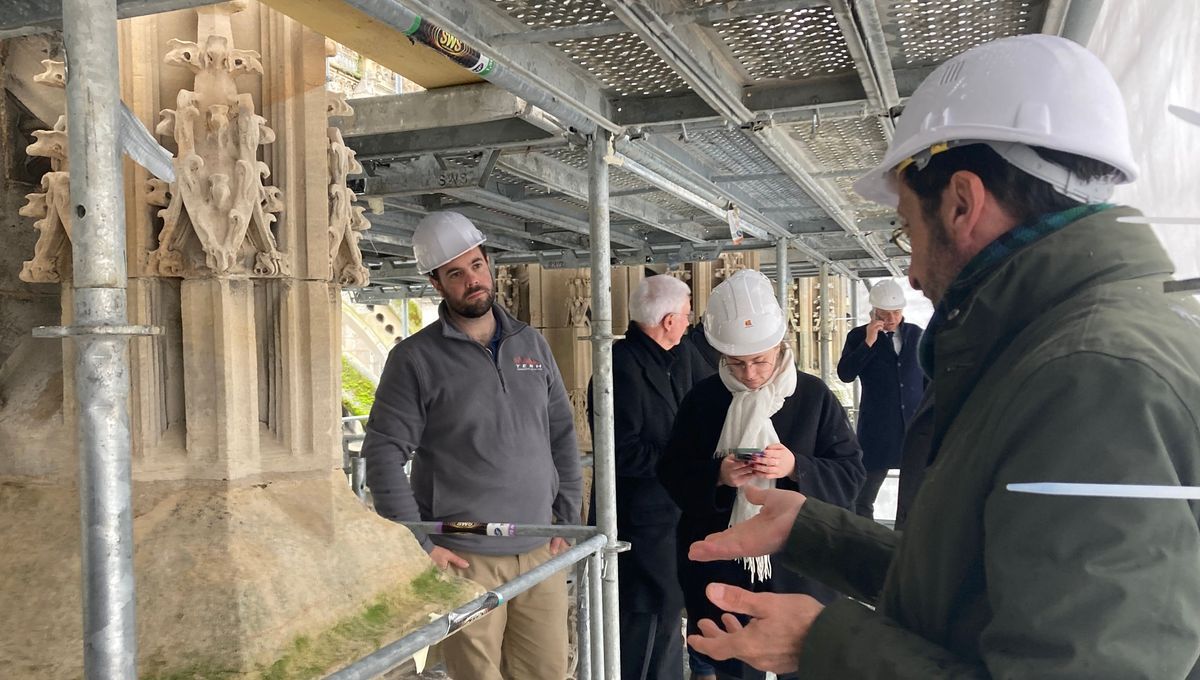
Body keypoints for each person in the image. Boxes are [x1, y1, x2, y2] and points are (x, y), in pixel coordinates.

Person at [682, 34, 1200, 678]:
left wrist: (823, 645)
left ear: (961, 203)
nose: (910, 265)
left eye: (907, 226)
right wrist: (818, 533)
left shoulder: (1090, 380)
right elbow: (985, 584)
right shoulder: (1055, 353)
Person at [361, 211, 583, 680]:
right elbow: (382, 454)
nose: (471, 281)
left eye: (476, 266)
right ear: (436, 284)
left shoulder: (532, 344)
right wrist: (421, 544)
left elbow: (561, 434)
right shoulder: (415, 359)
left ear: (490, 264)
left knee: (548, 673)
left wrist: (568, 519)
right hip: (466, 556)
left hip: (540, 550)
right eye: (455, 273)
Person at [657, 269, 864, 680]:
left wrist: (795, 467)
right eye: (737, 363)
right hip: (725, 565)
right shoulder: (704, 399)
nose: (750, 374)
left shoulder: (813, 396)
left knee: (805, 661)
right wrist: (718, 476)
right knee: (733, 662)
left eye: (760, 361)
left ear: (781, 346)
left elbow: (850, 475)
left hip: (800, 564)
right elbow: (672, 472)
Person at [587, 274, 713, 680]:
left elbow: (707, 408)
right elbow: (622, 452)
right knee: (648, 622)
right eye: (687, 313)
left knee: (670, 614)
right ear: (668, 320)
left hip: (677, 517)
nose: (691, 320)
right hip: (640, 524)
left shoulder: (683, 355)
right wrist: (685, 465)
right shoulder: (618, 367)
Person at [836, 279, 925, 519]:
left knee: (914, 496)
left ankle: (905, 546)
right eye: (885, 314)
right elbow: (845, 374)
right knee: (863, 495)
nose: (892, 318)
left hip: (913, 427)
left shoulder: (916, 334)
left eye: (896, 312)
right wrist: (868, 343)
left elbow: (929, 377)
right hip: (877, 429)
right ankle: (866, 542)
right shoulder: (858, 337)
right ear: (874, 312)